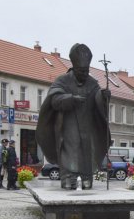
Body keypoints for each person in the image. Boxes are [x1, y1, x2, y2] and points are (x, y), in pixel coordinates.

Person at [36, 43, 110, 190]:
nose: (84, 74)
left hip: (87, 124)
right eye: (81, 71)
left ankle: (87, 179)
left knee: (87, 150)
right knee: (70, 149)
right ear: (74, 68)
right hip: (68, 124)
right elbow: (54, 99)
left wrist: (104, 97)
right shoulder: (62, 80)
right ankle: (68, 178)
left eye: (86, 70)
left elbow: (98, 100)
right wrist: (70, 99)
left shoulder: (92, 82)